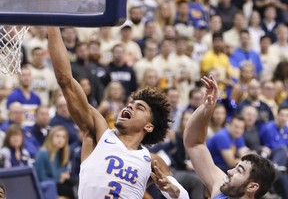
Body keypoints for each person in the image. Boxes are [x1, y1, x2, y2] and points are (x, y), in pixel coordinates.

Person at [47, 27, 188, 199]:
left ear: (149, 126)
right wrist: (52, 25)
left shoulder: (152, 160)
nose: (130, 107)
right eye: (130, 104)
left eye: (140, 108)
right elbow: (66, 81)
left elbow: (183, 196)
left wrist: (173, 191)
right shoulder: (98, 133)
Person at [184, 75, 276, 199]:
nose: (229, 171)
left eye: (239, 171)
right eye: (236, 167)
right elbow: (194, 144)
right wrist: (206, 109)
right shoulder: (221, 191)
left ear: (252, 187)